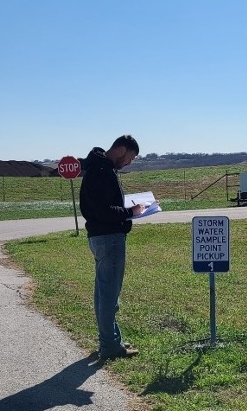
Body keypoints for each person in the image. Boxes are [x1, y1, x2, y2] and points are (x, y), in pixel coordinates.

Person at [80, 135, 145, 360]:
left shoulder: (97, 167)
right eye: (130, 158)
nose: (128, 163)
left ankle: (110, 339)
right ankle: (109, 346)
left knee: (102, 292)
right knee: (109, 295)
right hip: (109, 238)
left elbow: (101, 207)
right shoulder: (102, 171)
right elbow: (105, 210)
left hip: (99, 237)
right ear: (121, 150)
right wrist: (130, 213)